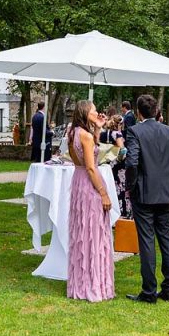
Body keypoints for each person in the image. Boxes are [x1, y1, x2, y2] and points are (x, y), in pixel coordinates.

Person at [124, 94, 169, 303]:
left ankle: (149, 290)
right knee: (165, 238)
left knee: (146, 241)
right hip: (166, 193)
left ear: (138, 112)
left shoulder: (135, 131)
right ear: (156, 111)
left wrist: (131, 187)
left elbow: (132, 162)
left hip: (144, 194)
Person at [65, 100, 115, 302]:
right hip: (89, 183)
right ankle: (93, 285)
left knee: (83, 232)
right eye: (94, 111)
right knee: (93, 231)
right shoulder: (84, 135)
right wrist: (103, 193)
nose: (98, 113)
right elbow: (91, 167)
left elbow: (87, 155)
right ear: (86, 113)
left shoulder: (73, 132)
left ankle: (82, 282)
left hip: (78, 182)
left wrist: (98, 129)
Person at [102, 114, 131, 218]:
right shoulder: (117, 134)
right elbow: (122, 150)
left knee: (110, 186)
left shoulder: (103, 134)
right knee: (120, 188)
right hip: (118, 165)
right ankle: (121, 212)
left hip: (107, 163)